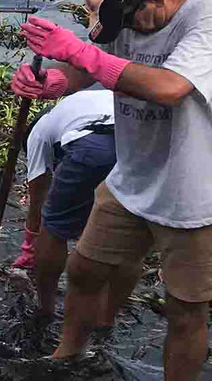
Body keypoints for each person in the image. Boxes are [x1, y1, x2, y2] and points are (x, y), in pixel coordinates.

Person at [10, 0, 212, 381]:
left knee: (186, 309)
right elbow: (94, 64)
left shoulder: (206, 16)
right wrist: (59, 80)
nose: (128, 38)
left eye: (132, 24)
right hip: (130, 176)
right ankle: (69, 352)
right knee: (83, 270)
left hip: (196, 191)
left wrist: (78, 52)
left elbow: (168, 87)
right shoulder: (131, 16)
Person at [13, 88, 139, 335]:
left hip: (94, 145)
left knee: (54, 228)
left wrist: (29, 246)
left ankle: (46, 308)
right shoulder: (82, 101)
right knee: (131, 238)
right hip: (142, 144)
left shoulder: (37, 134)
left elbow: (38, 198)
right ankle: (106, 321)